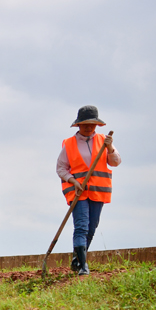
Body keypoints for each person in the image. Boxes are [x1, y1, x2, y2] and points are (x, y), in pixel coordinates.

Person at [56, 105, 121, 275]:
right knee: (81, 227)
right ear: (78, 125)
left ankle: (77, 260)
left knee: (91, 227)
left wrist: (110, 148)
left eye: (92, 124)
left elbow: (115, 162)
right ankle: (83, 267)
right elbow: (61, 169)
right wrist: (73, 181)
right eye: (85, 124)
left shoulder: (104, 141)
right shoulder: (69, 144)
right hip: (78, 191)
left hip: (98, 191)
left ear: (97, 125)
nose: (88, 127)